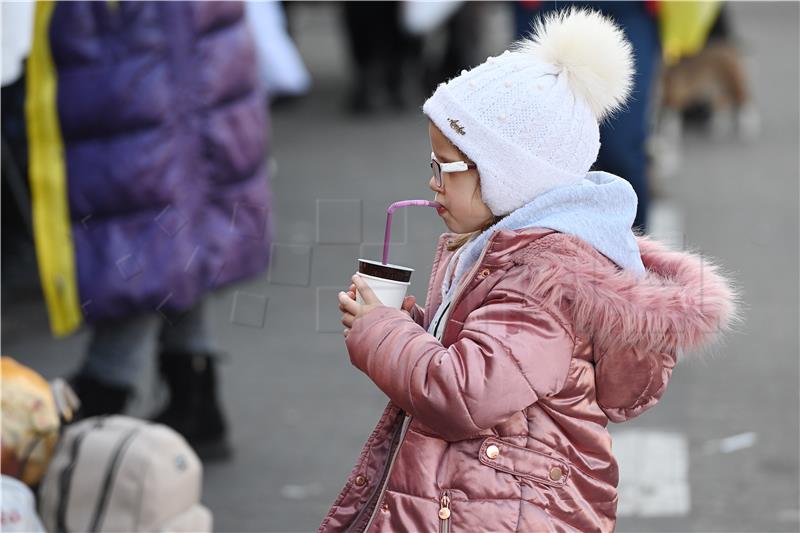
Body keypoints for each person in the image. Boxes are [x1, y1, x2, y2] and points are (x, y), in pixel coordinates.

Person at [323, 9, 737, 532]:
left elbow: (464, 392)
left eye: (445, 167)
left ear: (510, 175)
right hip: (487, 493)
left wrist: (380, 333)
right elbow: (487, 350)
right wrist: (410, 323)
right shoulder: (507, 249)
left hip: (505, 512)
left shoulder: (540, 279)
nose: (431, 182)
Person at [25, 1, 273, 460]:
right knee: (172, 209)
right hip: (174, 41)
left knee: (146, 203)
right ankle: (192, 389)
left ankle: (105, 394)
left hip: (140, 41)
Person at [515, 1, 661, 231]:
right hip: (549, 10)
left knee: (621, 150)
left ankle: (633, 251)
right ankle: (543, 253)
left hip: (628, 11)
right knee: (545, 149)